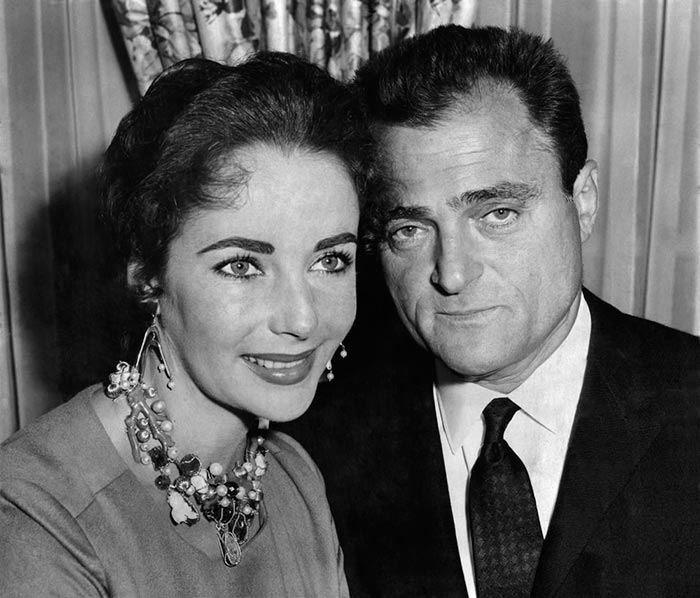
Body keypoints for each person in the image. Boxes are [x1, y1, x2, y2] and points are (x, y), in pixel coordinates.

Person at [283, 25, 700, 598]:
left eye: (497, 213)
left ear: (583, 202)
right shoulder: (309, 448)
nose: (452, 274)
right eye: (410, 229)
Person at [0, 52, 377, 596]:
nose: (303, 318)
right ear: (147, 276)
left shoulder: (293, 477)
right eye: (242, 266)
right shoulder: (38, 514)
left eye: (330, 261)